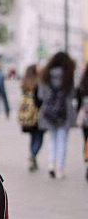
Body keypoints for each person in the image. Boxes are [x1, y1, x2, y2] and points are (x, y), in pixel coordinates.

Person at [38, 51, 76, 179]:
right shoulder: (68, 75)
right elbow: (72, 94)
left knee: (52, 139)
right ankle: (60, 168)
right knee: (62, 140)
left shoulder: (45, 75)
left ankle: (51, 164)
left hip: (49, 111)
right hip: (65, 111)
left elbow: (41, 95)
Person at [19, 64, 45, 172]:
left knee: (33, 137)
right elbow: (40, 100)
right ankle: (33, 155)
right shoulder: (38, 83)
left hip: (27, 115)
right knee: (38, 137)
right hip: (37, 114)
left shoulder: (24, 82)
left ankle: (32, 155)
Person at [77, 63, 88, 180]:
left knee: (86, 141)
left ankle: (87, 163)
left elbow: (79, 97)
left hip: (86, 116)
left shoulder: (84, 80)